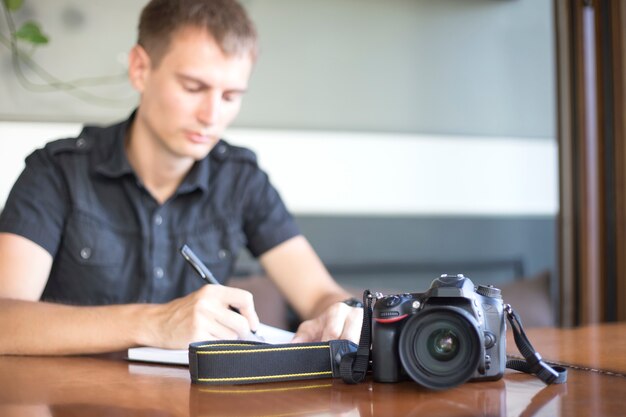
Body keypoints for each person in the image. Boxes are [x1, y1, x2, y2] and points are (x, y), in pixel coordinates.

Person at [0, 0, 363, 355]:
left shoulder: (241, 180)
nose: (212, 115)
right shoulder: (57, 171)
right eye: (193, 88)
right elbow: (5, 318)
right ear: (140, 68)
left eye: (231, 96)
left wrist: (340, 311)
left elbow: (317, 293)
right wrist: (154, 322)